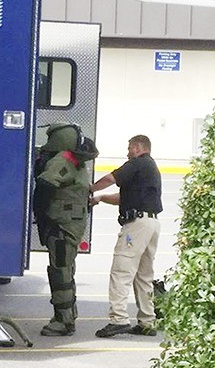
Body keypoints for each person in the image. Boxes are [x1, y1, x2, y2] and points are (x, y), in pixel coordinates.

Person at [90, 135, 162, 338]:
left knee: (121, 271)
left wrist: (91, 188)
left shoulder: (137, 163)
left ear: (139, 147)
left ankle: (119, 319)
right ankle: (147, 321)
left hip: (136, 226)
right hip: (151, 223)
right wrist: (102, 198)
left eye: (130, 148)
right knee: (143, 275)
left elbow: (111, 179)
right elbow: (124, 198)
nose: (127, 152)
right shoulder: (150, 168)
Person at [33, 123, 99, 337]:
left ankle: (63, 320)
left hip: (61, 224)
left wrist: (40, 213)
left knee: (60, 271)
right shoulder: (76, 160)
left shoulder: (63, 160)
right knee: (66, 269)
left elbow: (45, 185)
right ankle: (67, 315)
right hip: (71, 223)